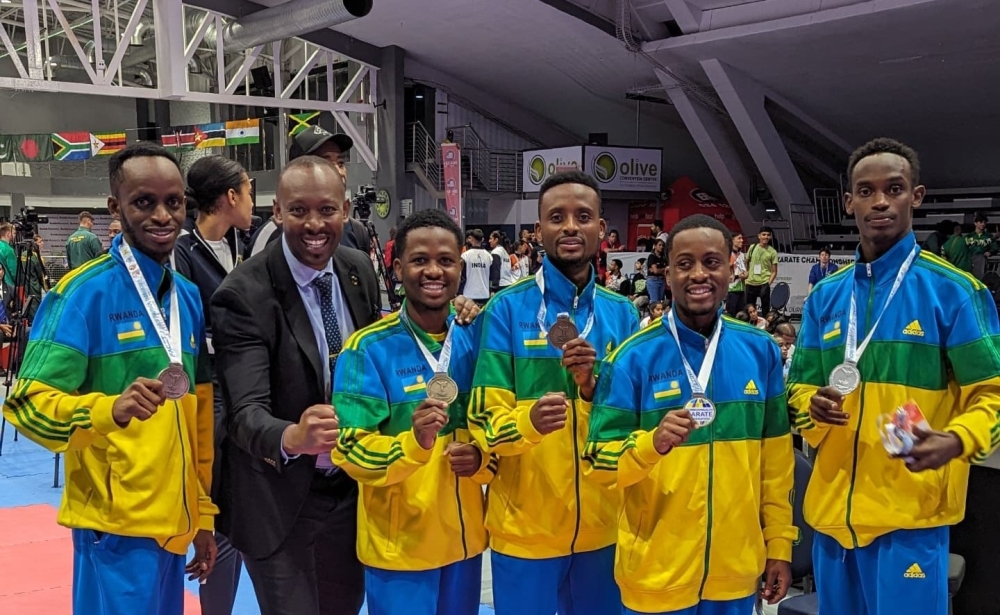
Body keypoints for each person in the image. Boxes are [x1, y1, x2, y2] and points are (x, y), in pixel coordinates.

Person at [1, 142, 217, 615]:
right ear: (115, 208)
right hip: (114, 526)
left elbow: (196, 415)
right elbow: (26, 404)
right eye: (144, 202)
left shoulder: (187, 296)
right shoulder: (80, 295)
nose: (162, 215)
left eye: (174, 202)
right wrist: (106, 409)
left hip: (174, 522)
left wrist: (201, 513)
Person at [787, 137, 1000, 615]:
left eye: (894, 189)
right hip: (831, 521)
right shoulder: (825, 296)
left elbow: (993, 393)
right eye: (865, 190)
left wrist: (957, 439)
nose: (879, 201)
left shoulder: (956, 292)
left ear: (916, 196)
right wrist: (810, 407)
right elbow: (797, 388)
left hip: (910, 519)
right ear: (849, 202)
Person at [585, 214, 794, 615]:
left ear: (732, 269)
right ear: (667, 272)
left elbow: (777, 465)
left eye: (712, 262)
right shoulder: (630, 357)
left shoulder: (761, 351)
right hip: (655, 573)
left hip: (734, 573)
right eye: (685, 264)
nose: (699, 274)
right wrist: (650, 444)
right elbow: (596, 460)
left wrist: (779, 544)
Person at [211, 156, 378, 615]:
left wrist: (456, 311)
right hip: (279, 501)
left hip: (350, 490)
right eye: (299, 210)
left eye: (327, 209)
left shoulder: (358, 269)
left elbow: (381, 355)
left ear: (345, 210)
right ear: (277, 212)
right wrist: (294, 437)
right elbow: (245, 412)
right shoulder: (242, 293)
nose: (315, 224)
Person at [469, 170, 640, 615]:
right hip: (525, 531)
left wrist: (589, 391)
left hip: (603, 529)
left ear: (601, 229)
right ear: (538, 230)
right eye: (556, 217)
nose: (570, 227)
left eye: (583, 216)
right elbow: (483, 419)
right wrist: (528, 422)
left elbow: (636, 421)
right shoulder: (505, 309)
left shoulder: (623, 315)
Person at [332, 209, 492, 615]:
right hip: (399, 550)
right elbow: (349, 449)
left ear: (461, 266)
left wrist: (481, 458)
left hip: (465, 543)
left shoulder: (478, 338)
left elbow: (495, 423)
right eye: (420, 260)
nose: (433, 271)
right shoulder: (367, 349)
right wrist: (413, 444)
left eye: (445, 260)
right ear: (398, 268)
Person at [173, 155, 254, 615]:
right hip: (211, 392)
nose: (251, 199)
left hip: (247, 385)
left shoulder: (248, 244)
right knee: (219, 505)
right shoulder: (184, 252)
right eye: (247, 190)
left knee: (248, 506)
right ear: (229, 197)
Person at [247, 127, 371, 258]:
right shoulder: (270, 235)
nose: (338, 172)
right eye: (325, 163)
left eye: (340, 163)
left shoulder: (356, 231)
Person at [744, 226, 777, 314]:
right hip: (750, 283)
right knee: (749, 309)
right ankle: (749, 327)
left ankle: (765, 327)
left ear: (770, 237)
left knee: (765, 309)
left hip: (763, 283)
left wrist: (768, 283)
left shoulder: (772, 252)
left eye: (768, 235)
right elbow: (746, 261)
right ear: (759, 236)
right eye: (764, 234)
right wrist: (747, 273)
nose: (766, 237)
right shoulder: (752, 247)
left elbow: (774, 271)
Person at [459, 228, 493, 305]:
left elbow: (462, 276)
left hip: (469, 294)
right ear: (483, 239)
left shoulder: (465, 256)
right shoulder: (489, 256)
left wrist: (459, 292)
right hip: (485, 294)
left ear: (471, 239)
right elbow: (491, 276)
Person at [725, 233, 746, 316]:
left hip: (741, 289)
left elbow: (744, 270)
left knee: (741, 315)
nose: (742, 240)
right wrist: (737, 276)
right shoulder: (727, 254)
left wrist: (746, 274)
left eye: (742, 238)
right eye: (739, 238)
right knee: (731, 315)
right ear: (732, 240)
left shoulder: (741, 255)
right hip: (731, 289)